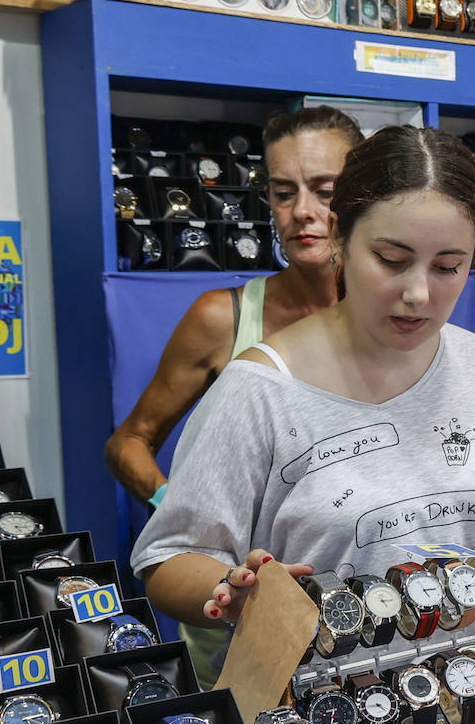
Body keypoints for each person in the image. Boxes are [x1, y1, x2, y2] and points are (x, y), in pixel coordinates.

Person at [130, 126, 475, 648]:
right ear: (340, 238)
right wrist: (230, 590)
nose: (418, 293)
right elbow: (167, 560)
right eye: (392, 261)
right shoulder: (259, 389)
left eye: (448, 267)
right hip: (323, 706)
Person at [106, 106, 362, 686]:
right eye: (281, 193)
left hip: (366, 623)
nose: (302, 211)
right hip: (241, 626)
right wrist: (189, 512)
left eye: (324, 190)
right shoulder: (224, 318)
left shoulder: (391, 323)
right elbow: (128, 445)